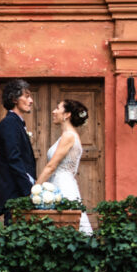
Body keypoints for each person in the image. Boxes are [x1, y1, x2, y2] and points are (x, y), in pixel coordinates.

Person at [36, 98, 93, 234]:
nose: (54, 111)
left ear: (67, 115)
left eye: (58, 108)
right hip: (60, 184)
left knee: (66, 227)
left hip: (62, 187)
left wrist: (35, 189)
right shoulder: (67, 136)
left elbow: (51, 166)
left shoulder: (69, 136)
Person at [0, 79, 36, 224]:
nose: (31, 101)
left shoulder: (16, 123)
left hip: (19, 192)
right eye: (27, 96)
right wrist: (29, 190)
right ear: (14, 99)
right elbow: (13, 159)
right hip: (15, 193)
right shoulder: (9, 123)